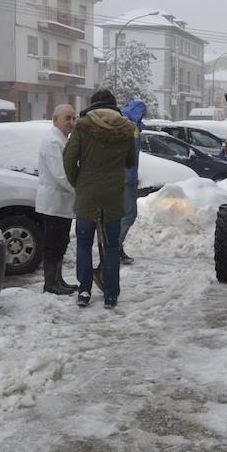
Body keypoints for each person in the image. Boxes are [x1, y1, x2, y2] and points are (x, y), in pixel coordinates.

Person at [64, 89, 138, 309]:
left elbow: (69, 159)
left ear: (93, 104)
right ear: (114, 105)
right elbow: (130, 162)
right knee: (112, 245)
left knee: (84, 243)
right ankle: (111, 294)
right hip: (113, 197)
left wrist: (78, 181)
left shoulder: (82, 126)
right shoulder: (126, 128)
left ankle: (84, 291)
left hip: (87, 195)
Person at [35, 103, 77, 295]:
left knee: (61, 242)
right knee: (53, 245)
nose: (71, 122)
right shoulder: (53, 142)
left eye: (73, 118)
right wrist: (78, 190)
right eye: (67, 118)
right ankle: (50, 283)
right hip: (54, 204)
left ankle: (58, 280)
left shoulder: (61, 140)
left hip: (62, 204)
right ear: (55, 119)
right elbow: (60, 175)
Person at [118, 100, 147, 265]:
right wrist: (131, 177)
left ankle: (116, 247)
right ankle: (115, 247)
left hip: (124, 177)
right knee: (129, 214)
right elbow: (127, 155)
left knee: (123, 214)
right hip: (126, 179)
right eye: (142, 114)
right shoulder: (130, 127)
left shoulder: (125, 123)